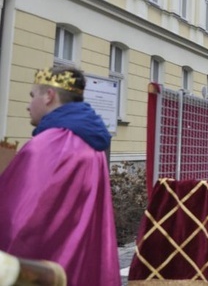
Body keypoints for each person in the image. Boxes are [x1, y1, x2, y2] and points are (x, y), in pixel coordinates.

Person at [0, 66, 120, 286]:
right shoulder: (90, 140)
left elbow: (19, 220)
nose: (28, 106)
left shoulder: (49, 144)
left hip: (44, 272)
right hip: (79, 265)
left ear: (49, 96)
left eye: (32, 95)